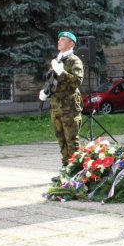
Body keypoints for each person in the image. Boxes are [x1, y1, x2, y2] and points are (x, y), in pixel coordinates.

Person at [39, 32, 84, 181]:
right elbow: (51, 80)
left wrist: (61, 72)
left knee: (72, 140)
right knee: (61, 140)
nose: (59, 41)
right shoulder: (57, 60)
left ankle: (76, 172)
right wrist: (45, 91)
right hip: (56, 106)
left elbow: (77, 81)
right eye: (59, 39)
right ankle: (66, 169)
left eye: (63, 40)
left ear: (71, 44)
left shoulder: (74, 60)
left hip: (69, 107)